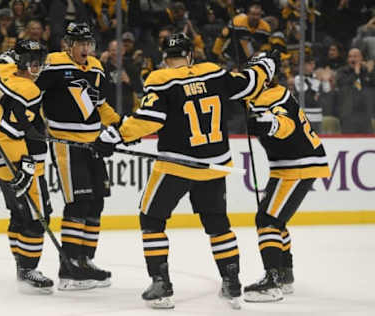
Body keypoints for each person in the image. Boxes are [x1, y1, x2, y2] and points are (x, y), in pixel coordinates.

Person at [92, 33, 279, 309]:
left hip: (177, 164)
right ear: (190, 55)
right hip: (214, 164)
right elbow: (250, 84)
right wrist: (266, 65)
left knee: (151, 219)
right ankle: (232, 281)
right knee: (218, 226)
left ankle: (161, 284)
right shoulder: (214, 72)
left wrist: (113, 136)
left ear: (166, 58)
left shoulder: (161, 79)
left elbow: (149, 119)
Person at [35, 22, 120, 291]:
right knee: (78, 202)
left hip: (93, 143)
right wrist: (36, 127)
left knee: (96, 203)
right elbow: (31, 96)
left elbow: (101, 105)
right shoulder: (54, 63)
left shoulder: (96, 66)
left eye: (89, 43)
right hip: (67, 143)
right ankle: (68, 268)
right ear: (67, 45)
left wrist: (120, 127)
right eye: (80, 43)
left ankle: (85, 261)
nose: (85, 48)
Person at [243, 75, 331, 302]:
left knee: (267, 219)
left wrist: (265, 125)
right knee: (275, 220)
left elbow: (285, 124)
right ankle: (284, 273)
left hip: (297, 165)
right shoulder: (259, 94)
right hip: (287, 165)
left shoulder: (272, 96)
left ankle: (272, 281)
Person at [0, 40, 54, 294]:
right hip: (15, 156)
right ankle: (28, 268)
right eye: (35, 63)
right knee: (38, 215)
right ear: (23, 64)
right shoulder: (28, 90)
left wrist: (33, 129)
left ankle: (20, 263)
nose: (39, 67)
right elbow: (12, 130)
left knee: (18, 211)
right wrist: (26, 165)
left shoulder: (0, 73)